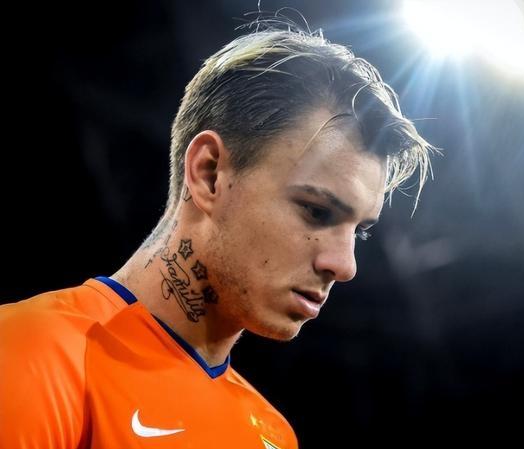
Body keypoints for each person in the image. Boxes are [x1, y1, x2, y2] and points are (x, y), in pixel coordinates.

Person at [0, 20, 433, 449]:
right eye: (316, 211)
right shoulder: (28, 352)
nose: (344, 266)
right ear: (208, 174)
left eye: (360, 231)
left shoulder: (273, 435)